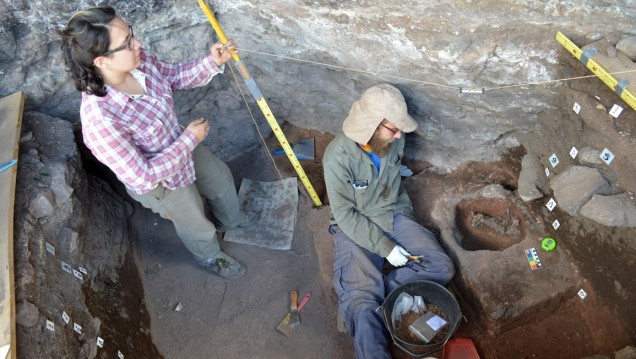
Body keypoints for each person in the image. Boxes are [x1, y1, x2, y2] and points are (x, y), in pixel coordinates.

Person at [59, 6, 248, 279]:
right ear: (102, 61)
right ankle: (210, 257)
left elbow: (173, 76)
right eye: (126, 44)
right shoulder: (100, 119)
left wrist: (212, 62)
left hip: (180, 142)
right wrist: (188, 141)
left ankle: (232, 222)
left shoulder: (140, 62)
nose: (138, 44)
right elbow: (143, 176)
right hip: (161, 181)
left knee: (219, 178)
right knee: (193, 218)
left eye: (131, 35)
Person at [322, 84, 456, 358]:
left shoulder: (394, 140)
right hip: (354, 224)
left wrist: (393, 242)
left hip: (392, 212)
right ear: (370, 125)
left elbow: (392, 177)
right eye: (392, 129)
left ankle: (377, 298)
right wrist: (387, 249)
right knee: (361, 303)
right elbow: (346, 214)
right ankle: (363, 301)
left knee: (442, 267)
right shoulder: (337, 158)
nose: (398, 136)